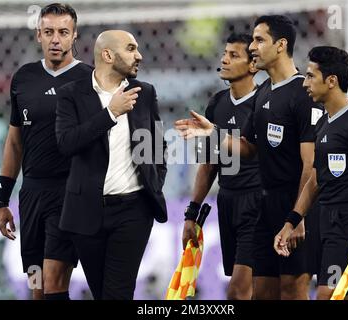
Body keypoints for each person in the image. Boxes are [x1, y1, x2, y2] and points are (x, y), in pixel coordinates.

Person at [175, 15, 324, 300]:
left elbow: (310, 164)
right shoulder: (264, 93)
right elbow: (249, 148)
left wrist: (298, 216)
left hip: (294, 204)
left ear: (280, 45)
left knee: (292, 291)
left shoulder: (303, 93)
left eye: (259, 40)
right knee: (262, 293)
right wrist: (214, 132)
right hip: (264, 207)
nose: (253, 47)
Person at [274, 46, 348, 300]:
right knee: (343, 296)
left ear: (331, 81)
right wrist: (292, 221)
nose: (305, 83)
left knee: (328, 295)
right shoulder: (323, 122)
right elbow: (316, 179)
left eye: (310, 76)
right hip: (324, 219)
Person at [55, 30, 167, 300]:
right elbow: (66, 143)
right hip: (86, 212)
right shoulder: (71, 94)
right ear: (107, 55)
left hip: (133, 211)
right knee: (101, 293)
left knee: (118, 293)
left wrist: (153, 182)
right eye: (131, 49)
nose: (139, 55)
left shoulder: (145, 92)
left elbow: (157, 147)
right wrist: (110, 113)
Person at [0, 3, 92, 300]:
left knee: (53, 281)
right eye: (48, 32)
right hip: (32, 195)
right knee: (37, 286)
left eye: (63, 32)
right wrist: (2, 198)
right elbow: (14, 141)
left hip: (70, 194)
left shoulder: (90, 80)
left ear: (74, 36)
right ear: (38, 35)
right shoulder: (23, 78)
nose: (55, 39)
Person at [182, 33, 261, 300]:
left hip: (258, 204)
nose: (224, 60)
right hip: (228, 202)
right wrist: (191, 213)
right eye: (224, 53)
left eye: (233, 55)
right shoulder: (217, 103)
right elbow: (209, 164)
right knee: (252, 291)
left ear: (253, 65)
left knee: (238, 292)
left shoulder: (265, 103)